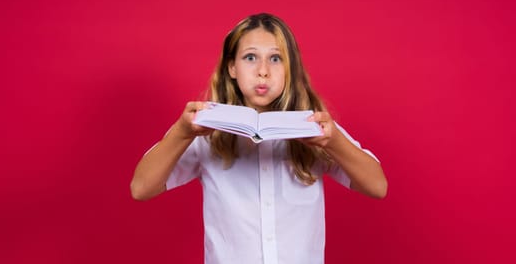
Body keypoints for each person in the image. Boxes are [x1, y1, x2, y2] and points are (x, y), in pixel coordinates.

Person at [130, 13, 387, 264]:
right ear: (232, 67)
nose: (263, 71)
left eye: (276, 59)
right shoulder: (207, 132)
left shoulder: (314, 129)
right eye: (250, 57)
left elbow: (377, 187)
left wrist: (333, 142)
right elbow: (141, 188)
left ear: (290, 68)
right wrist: (181, 133)